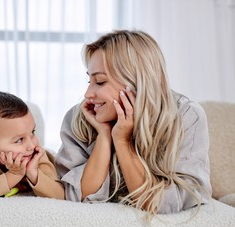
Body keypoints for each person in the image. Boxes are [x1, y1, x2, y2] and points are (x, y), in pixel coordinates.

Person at [55, 30, 212, 215]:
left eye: (99, 81)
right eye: (89, 80)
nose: (88, 94)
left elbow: (169, 203)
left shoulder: (186, 116)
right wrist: (104, 136)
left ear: (136, 82)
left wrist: (122, 141)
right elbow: (74, 196)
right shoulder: (80, 118)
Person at [0, 91, 64, 200]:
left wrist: (33, 173)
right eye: (19, 140)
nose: (31, 145)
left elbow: (60, 194)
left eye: (32, 132)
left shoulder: (36, 154)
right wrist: (14, 174)